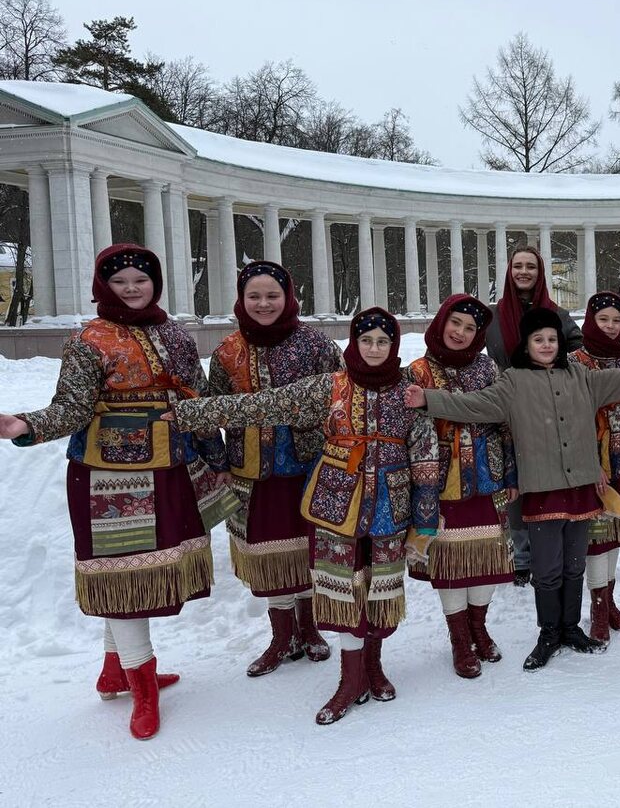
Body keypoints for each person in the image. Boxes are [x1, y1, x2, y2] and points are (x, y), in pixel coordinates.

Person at [0, 244, 234, 741]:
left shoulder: (175, 333)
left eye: (140, 279)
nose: (132, 288)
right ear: (104, 286)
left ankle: (115, 672)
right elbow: (71, 407)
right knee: (119, 576)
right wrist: (28, 424)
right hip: (108, 475)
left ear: (156, 283)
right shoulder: (88, 339)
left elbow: (199, 397)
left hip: (169, 465)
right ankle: (143, 687)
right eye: (121, 280)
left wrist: (214, 447)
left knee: (135, 575)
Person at [172, 307, 440, 725]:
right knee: (343, 590)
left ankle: (375, 666)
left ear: (394, 346)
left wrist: (424, 519)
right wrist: (191, 414)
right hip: (337, 506)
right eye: (365, 339)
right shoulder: (329, 387)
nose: (373, 348)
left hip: (392, 507)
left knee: (381, 589)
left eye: (382, 341)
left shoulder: (409, 392)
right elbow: (264, 405)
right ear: (354, 342)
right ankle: (350, 680)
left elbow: (425, 456)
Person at [406, 307, 620, 671]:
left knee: (574, 564)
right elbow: (472, 405)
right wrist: (429, 399)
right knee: (547, 568)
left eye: (552, 339)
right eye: (538, 340)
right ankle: (548, 631)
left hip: (581, 486)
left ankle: (570, 627)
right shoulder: (513, 381)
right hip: (542, 490)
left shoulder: (580, 375)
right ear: (527, 345)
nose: (546, 345)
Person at [208, 261, 343, 678]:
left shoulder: (317, 346)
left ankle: (312, 628)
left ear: (288, 298)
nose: (263, 303)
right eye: (254, 296)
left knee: (307, 548)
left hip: (309, 466)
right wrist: (218, 463)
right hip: (253, 470)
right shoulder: (226, 352)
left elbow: (342, 401)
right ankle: (281, 635)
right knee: (268, 554)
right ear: (241, 300)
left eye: (272, 295)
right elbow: (209, 411)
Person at [406, 295, 516, 678]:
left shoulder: (488, 369)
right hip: (439, 485)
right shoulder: (417, 373)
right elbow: (412, 433)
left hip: (487, 479)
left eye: (471, 328)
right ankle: (459, 638)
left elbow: (507, 423)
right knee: (451, 565)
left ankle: (479, 627)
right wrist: (419, 489)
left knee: (486, 563)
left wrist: (513, 475)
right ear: (440, 323)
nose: (461, 333)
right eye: (456, 323)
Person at [485, 246, 583, 586]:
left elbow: (578, 351)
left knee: (547, 475)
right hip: (510, 404)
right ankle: (521, 553)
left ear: (540, 273)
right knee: (516, 475)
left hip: (550, 405)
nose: (524, 272)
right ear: (509, 271)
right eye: (518, 266)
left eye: (531, 266)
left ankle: (552, 543)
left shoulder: (556, 312)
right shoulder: (494, 316)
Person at [567, 292, 620, 644]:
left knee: (614, 532)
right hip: (591, 463)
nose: (611, 327)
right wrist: (588, 461)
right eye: (604, 320)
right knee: (597, 538)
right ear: (590, 320)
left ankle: (609, 601)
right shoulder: (572, 362)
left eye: (617, 320)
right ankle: (598, 608)